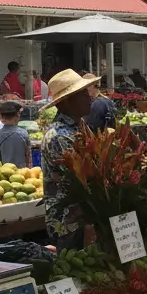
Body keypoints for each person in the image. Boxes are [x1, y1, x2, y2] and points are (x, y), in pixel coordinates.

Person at [42, 69, 96, 248]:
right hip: (70, 223)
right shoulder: (60, 136)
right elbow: (82, 178)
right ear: (66, 103)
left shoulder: (81, 128)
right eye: (82, 93)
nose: (89, 96)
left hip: (86, 217)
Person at [0, 101, 32, 168]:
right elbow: (28, 156)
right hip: (22, 173)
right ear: (18, 116)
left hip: (5, 173)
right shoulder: (23, 133)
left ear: (1, 117)